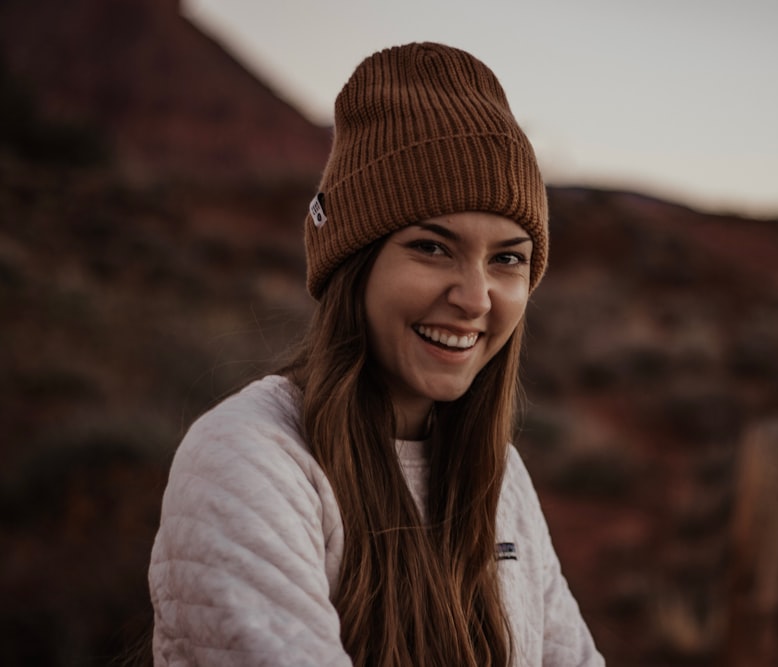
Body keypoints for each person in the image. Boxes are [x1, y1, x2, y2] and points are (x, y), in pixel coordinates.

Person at [148, 42, 604, 666]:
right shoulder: (250, 460)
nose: (475, 299)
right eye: (432, 247)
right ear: (353, 263)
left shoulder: (501, 480)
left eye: (507, 258)